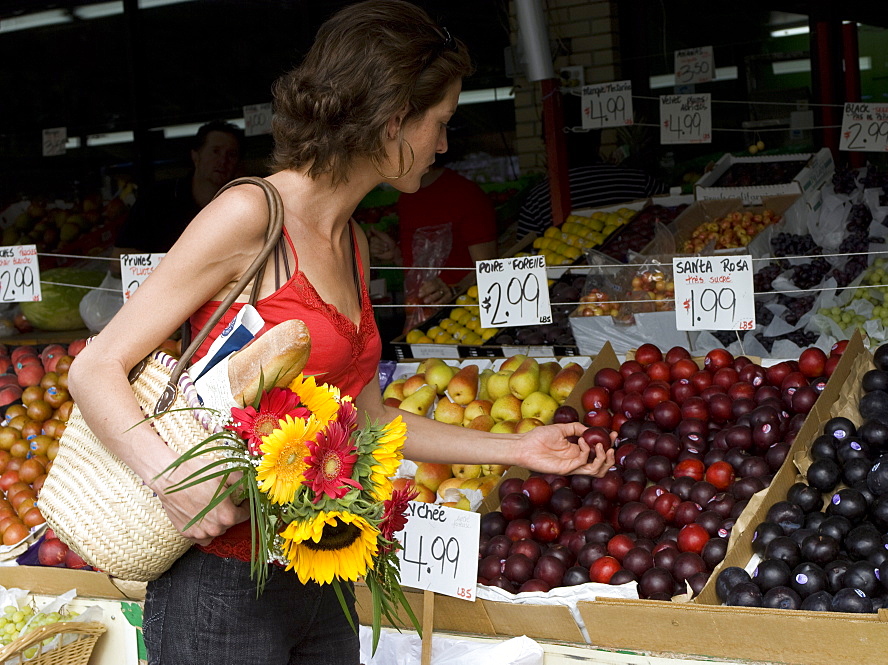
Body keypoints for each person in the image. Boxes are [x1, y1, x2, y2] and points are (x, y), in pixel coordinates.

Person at [67, 3, 613, 664]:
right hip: (218, 580)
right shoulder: (249, 215)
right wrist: (170, 480)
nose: (444, 144)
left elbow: (368, 419)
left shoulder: (352, 240)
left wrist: (519, 446)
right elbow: (93, 369)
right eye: (439, 123)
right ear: (392, 123)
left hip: (318, 562)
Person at [368, 162, 497, 307]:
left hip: (463, 314)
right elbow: (419, 265)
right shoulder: (407, 198)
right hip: (419, 315)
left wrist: (453, 291)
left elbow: (489, 270)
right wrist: (396, 255)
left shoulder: (465, 194)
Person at [516, 118, 666, 240]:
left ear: (550, 145)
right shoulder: (639, 181)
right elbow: (674, 222)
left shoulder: (537, 199)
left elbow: (526, 256)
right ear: (598, 139)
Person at [115, 120, 243, 254]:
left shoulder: (243, 206)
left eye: (231, 154)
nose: (223, 161)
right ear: (196, 156)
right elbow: (118, 259)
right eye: (215, 151)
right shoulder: (156, 199)